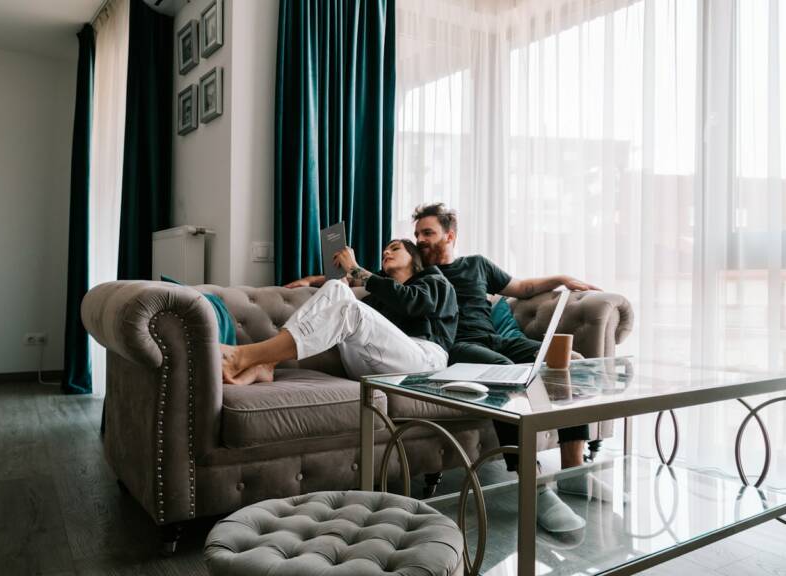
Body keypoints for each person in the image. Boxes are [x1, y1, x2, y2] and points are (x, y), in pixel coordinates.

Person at [411, 202, 606, 533]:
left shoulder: (476, 265)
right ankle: (535, 486)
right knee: (506, 373)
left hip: (496, 340)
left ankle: (574, 472)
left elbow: (523, 289)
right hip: (458, 347)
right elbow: (370, 279)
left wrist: (562, 277)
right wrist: (319, 278)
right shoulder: (417, 272)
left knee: (569, 362)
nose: (420, 240)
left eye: (427, 232)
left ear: (450, 235)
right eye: (417, 234)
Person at [222, 239, 457, 385]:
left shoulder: (434, 280)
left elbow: (413, 303)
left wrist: (354, 269)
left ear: (415, 259)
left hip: (425, 363)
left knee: (348, 306)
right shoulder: (377, 298)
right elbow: (364, 322)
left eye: (395, 248)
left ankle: (248, 357)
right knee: (336, 288)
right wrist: (315, 281)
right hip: (370, 365)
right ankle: (268, 362)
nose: (386, 253)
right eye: (385, 250)